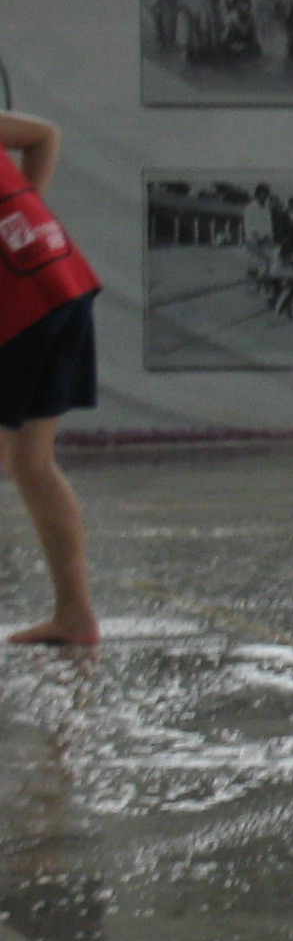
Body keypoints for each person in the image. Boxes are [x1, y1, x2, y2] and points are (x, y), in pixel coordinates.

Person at [0, 113, 103, 649]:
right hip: (61, 282)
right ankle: (75, 616)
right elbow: (44, 134)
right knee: (29, 463)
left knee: (22, 461)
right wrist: (26, 217)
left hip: (20, 304)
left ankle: (75, 615)